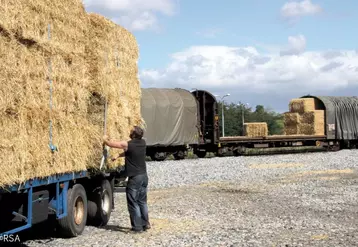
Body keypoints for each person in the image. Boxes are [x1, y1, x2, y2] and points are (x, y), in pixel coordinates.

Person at [103, 126, 150, 233]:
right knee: (142, 202)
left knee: (133, 203)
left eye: (131, 131)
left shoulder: (128, 144)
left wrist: (104, 139)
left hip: (135, 178)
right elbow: (130, 152)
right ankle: (145, 224)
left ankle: (137, 228)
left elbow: (112, 144)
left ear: (133, 135)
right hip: (144, 177)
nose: (129, 132)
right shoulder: (142, 143)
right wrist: (119, 156)